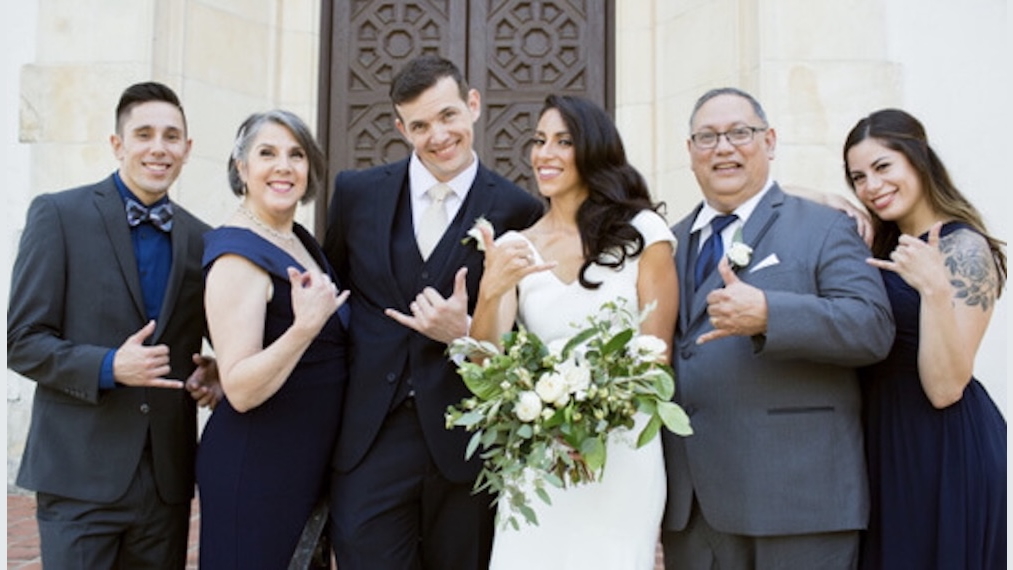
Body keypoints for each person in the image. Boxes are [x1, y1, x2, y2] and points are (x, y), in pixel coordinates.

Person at [321, 54, 544, 569]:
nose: (438, 135)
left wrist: (463, 331)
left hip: (468, 446)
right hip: (369, 441)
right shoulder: (356, 195)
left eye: (447, 116)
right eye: (419, 125)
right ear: (401, 128)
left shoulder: (519, 211)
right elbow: (329, 310)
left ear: (473, 106)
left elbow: (528, 340)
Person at [660, 87, 895, 569]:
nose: (723, 147)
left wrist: (771, 314)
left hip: (797, 501)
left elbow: (872, 328)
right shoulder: (667, 242)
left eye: (739, 133)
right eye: (707, 137)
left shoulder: (825, 226)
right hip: (694, 515)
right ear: (689, 152)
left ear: (769, 141)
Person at [6, 81, 219, 569]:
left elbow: (210, 335)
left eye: (171, 136)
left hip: (164, 482)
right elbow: (23, 342)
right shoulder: (58, 215)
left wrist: (216, 370)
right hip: (79, 476)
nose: (158, 148)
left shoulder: (201, 238)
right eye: (143, 134)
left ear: (187, 150)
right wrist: (108, 365)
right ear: (117, 144)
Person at [467, 94, 678, 569]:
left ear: (592, 149)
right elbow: (485, 365)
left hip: (622, 451)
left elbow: (656, 356)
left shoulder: (644, 232)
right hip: (540, 457)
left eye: (564, 141)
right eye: (540, 141)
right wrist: (490, 291)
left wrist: (589, 429)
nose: (545, 153)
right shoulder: (515, 245)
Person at [842, 108, 1007, 569]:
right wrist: (831, 201)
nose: (871, 186)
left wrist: (934, 289)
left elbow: (945, 387)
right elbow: (779, 196)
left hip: (943, 445)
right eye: (857, 177)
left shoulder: (964, 247)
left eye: (883, 167)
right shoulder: (882, 244)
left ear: (918, 160)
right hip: (882, 435)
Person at [196, 109, 350, 569]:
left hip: (303, 461)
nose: (284, 166)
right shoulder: (237, 255)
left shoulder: (299, 239)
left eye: (296, 154)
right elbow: (240, 390)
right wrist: (304, 329)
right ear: (241, 168)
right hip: (258, 466)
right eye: (267, 153)